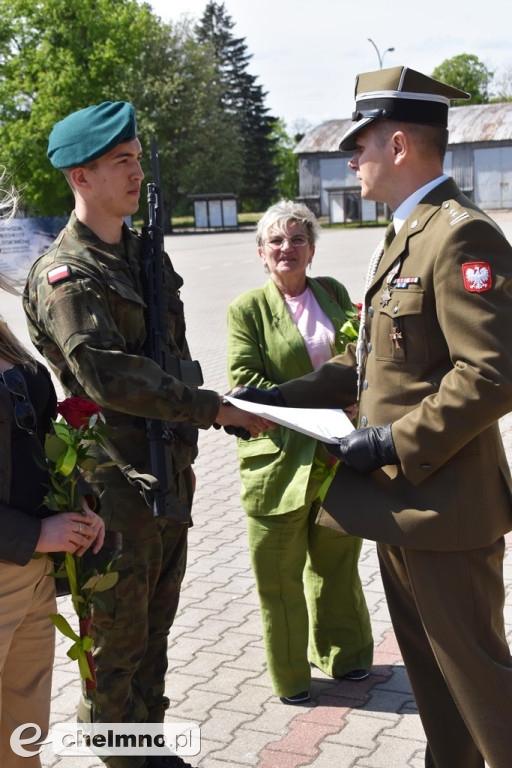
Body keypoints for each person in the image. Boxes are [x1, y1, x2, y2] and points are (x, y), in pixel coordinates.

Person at [232, 66, 512, 768]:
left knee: (482, 690)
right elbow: (366, 367)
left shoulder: (459, 236)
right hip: (401, 503)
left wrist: (390, 438)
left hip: (445, 511)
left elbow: (492, 373)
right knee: (437, 689)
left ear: (396, 145)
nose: (349, 158)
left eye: (358, 145)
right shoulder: (401, 238)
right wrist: (270, 399)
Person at [22, 102, 270, 768]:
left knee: (156, 636)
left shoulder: (140, 255)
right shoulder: (67, 275)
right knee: (115, 647)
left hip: (167, 475)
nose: (136, 173)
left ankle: (148, 747)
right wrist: (213, 408)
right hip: (113, 489)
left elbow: (170, 358)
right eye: (120, 162)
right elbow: (111, 377)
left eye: (136, 159)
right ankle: (122, 756)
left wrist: (218, 403)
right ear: (82, 177)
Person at [227, 200, 373, 704]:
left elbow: (360, 356)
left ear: (312, 248)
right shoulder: (247, 309)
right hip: (280, 460)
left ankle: (346, 656)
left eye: (297, 238)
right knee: (280, 578)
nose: (287, 248)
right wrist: (315, 402)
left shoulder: (333, 293)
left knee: (337, 565)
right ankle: (292, 678)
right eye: (276, 241)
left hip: (336, 455)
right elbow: (245, 382)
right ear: (261, 252)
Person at [0, 174, 105, 768]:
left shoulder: (7, 340)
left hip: (31, 579)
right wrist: (35, 534)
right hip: (15, 555)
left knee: (22, 742)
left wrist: (78, 499)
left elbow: (38, 442)